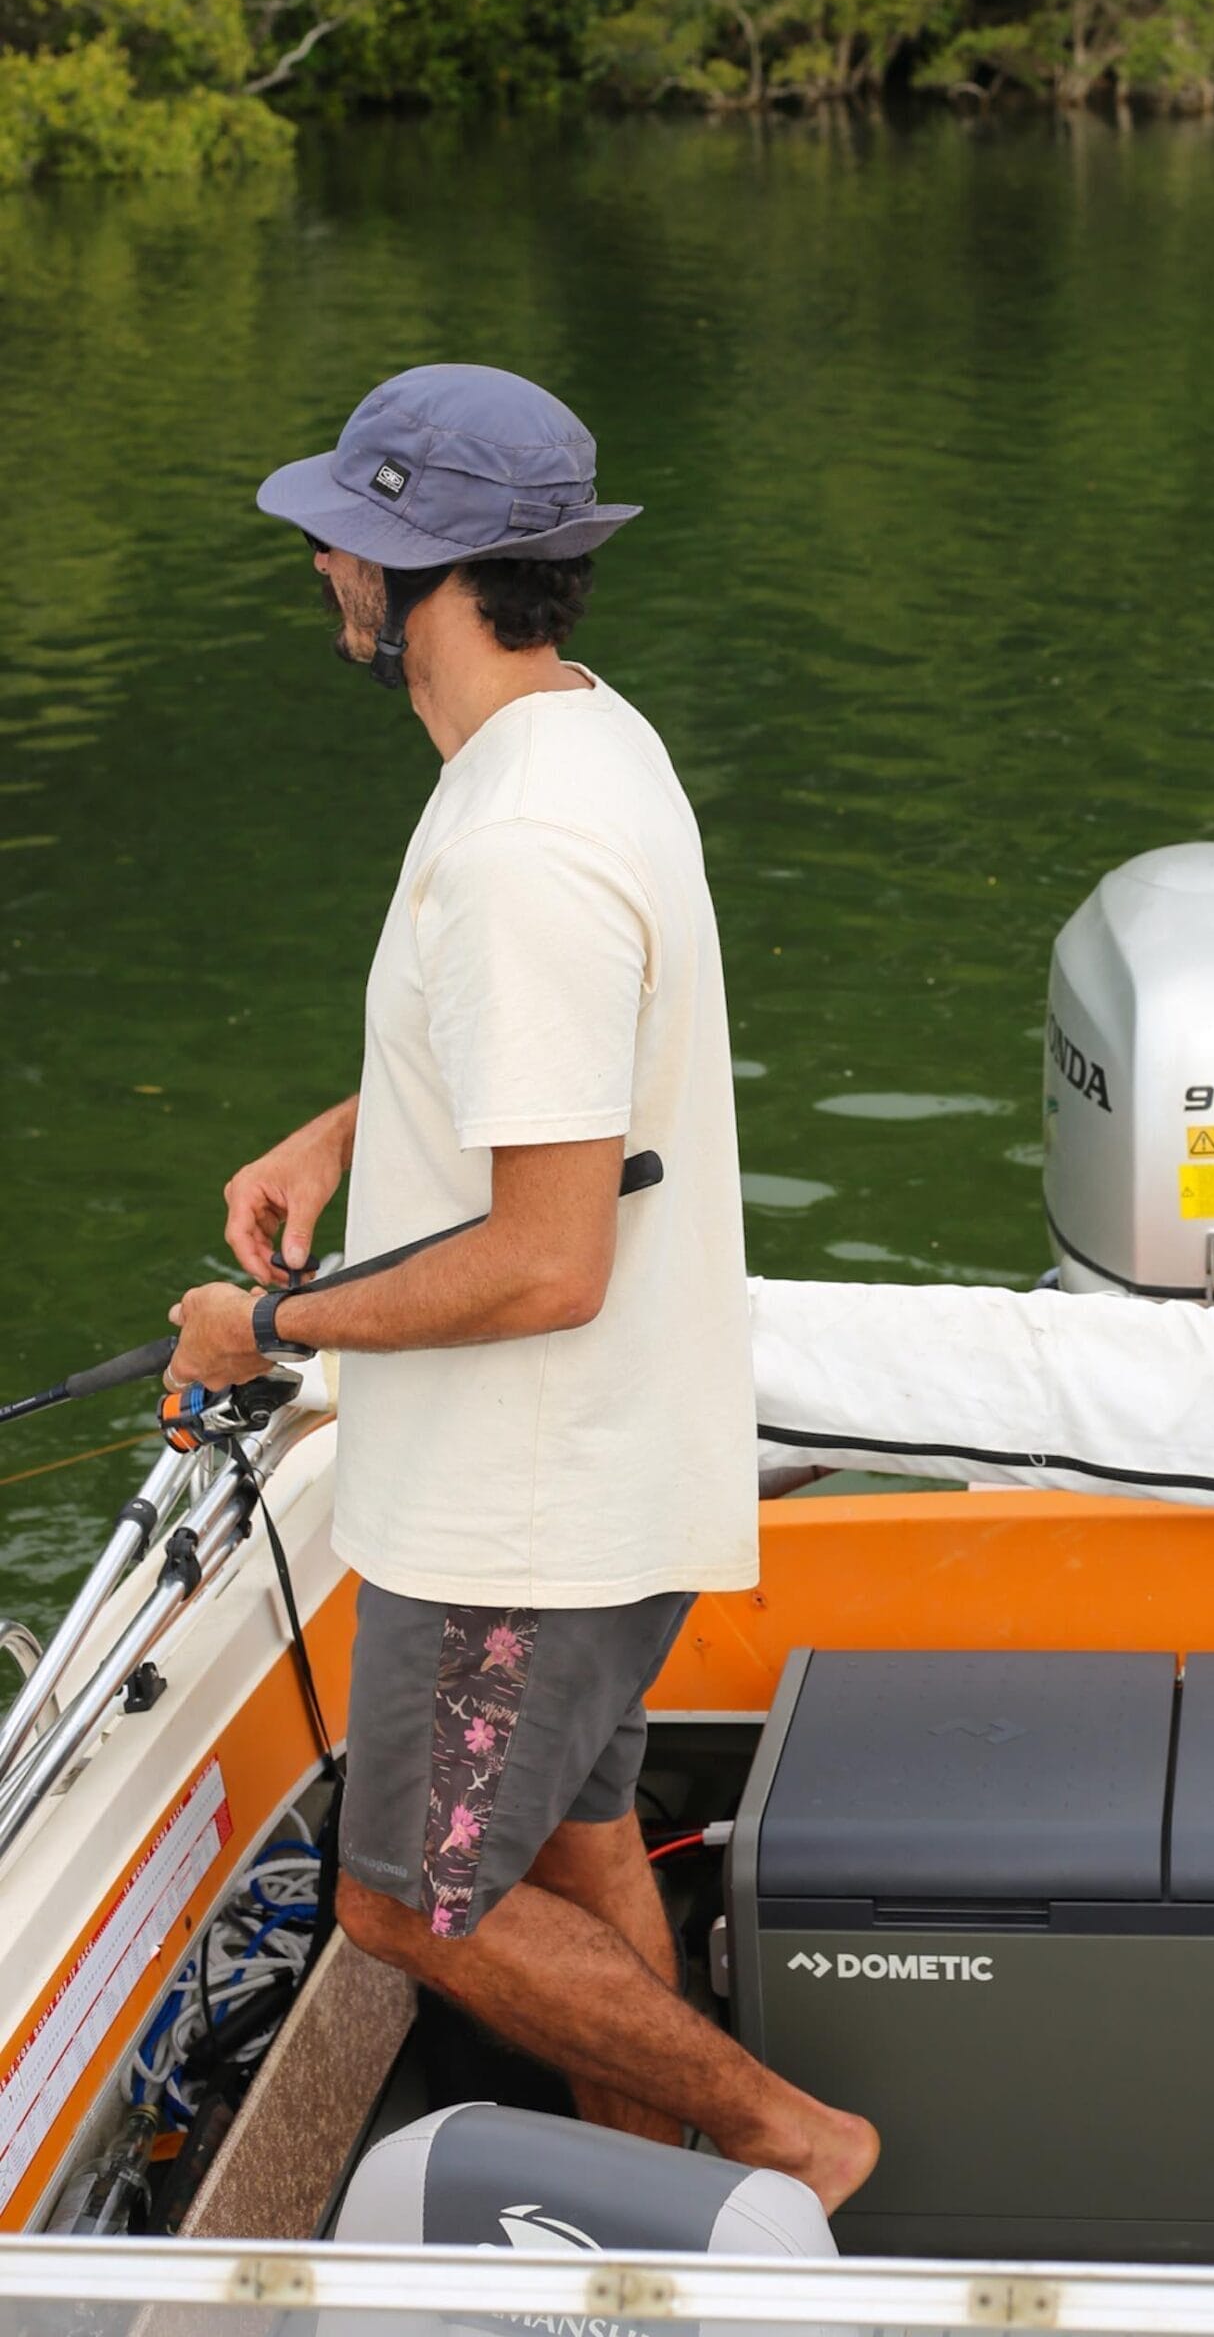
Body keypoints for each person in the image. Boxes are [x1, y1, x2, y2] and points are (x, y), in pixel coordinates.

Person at [164, 363, 878, 2211]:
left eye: (348, 535)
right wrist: (353, 1127)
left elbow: (550, 1261)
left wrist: (266, 1327)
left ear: (426, 578)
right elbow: (560, 1060)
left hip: (521, 1516)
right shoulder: (578, 736)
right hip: (611, 1463)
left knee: (407, 1902)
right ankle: (662, 2210)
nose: (323, 561)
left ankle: (786, 2144)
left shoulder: (517, 850)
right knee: (566, 1838)